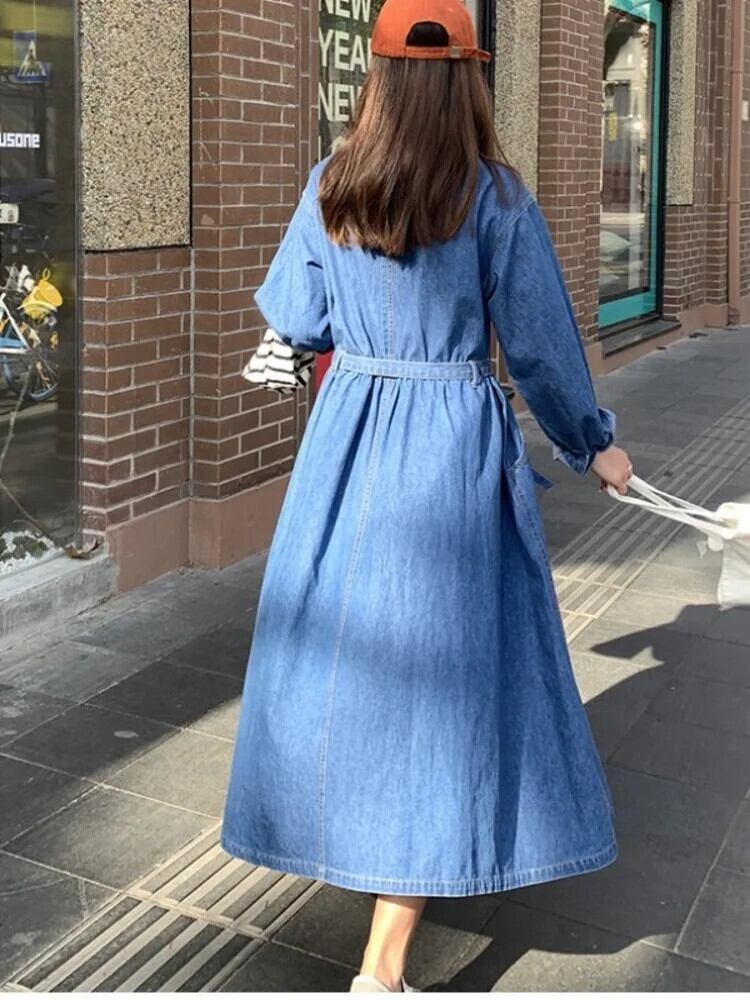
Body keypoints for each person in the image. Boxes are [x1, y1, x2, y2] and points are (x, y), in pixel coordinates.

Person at [221, 0, 633, 992]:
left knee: (346, 672)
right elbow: (539, 346)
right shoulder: (495, 196)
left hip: (347, 447)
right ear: (469, 80)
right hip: (451, 449)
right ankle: (383, 964)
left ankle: (360, 886)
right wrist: (594, 444)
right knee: (446, 689)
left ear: (377, 78)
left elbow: (294, 326)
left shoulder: (331, 184)